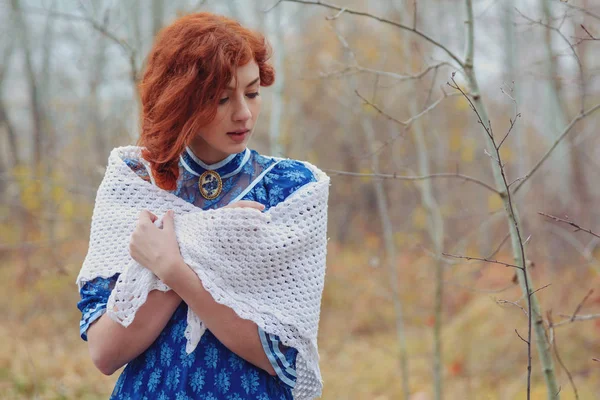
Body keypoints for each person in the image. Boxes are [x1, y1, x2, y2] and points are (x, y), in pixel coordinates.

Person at [77, 12, 321, 399]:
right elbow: (105, 352)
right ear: (182, 100)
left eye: (253, 93)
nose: (243, 113)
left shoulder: (291, 189)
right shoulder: (135, 182)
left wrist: (175, 264)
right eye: (222, 98)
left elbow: (283, 357)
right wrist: (209, 241)